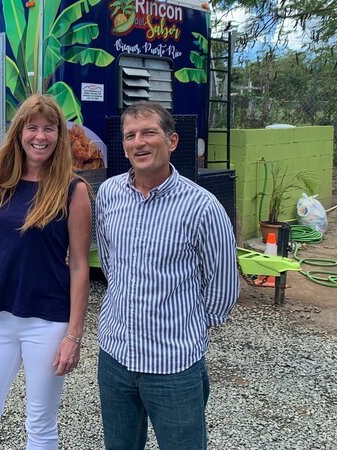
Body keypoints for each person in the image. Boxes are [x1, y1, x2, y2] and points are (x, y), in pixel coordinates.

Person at [95, 101, 240, 450]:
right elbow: (110, 263)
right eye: (130, 135)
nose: (139, 143)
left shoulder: (202, 207)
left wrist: (186, 327)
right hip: (115, 356)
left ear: (172, 141)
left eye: (149, 133)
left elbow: (223, 287)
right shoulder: (109, 194)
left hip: (173, 364)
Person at [0, 94, 92, 450]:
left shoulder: (74, 190)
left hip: (47, 321)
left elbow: (80, 265)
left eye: (49, 128)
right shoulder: (2, 182)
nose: (40, 136)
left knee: (40, 425)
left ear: (59, 135)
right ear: (19, 132)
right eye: (32, 127)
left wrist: (74, 335)